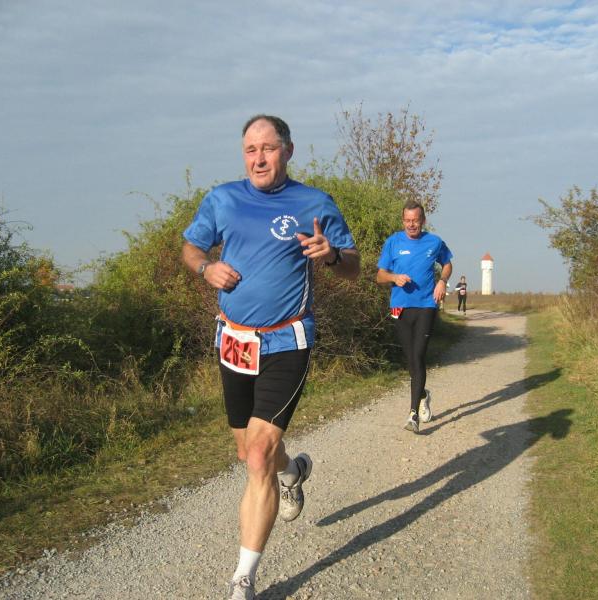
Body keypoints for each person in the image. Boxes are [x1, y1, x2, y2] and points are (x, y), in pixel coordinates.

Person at [182, 115, 360, 600]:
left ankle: (243, 578)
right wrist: (206, 268)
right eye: (250, 150)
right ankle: (293, 471)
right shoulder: (222, 199)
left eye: (268, 148)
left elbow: (352, 267)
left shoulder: (314, 203)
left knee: (258, 454)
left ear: (288, 150)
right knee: (249, 453)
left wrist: (331, 256)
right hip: (234, 341)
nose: (258, 159)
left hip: (288, 341)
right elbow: (191, 248)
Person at [376, 200, 453, 434]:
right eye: (407, 221)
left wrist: (442, 281)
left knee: (418, 355)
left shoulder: (434, 242)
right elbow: (380, 275)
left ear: (423, 221)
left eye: (415, 221)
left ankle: (413, 415)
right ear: (403, 221)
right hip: (399, 307)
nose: (411, 225)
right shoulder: (393, 242)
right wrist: (394, 278)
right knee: (410, 359)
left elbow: (447, 264)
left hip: (426, 306)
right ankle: (422, 395)